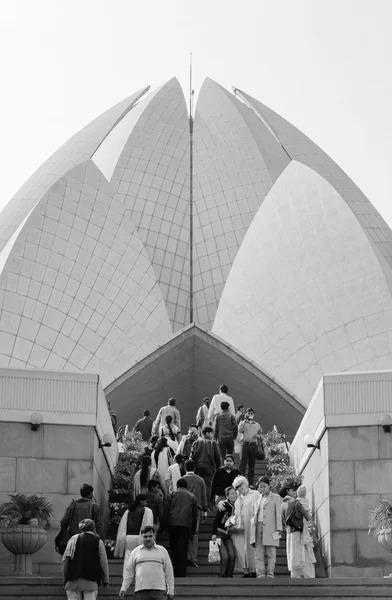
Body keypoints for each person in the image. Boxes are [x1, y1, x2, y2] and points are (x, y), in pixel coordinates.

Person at [119, 525, 174, 600]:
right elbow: (129, 573)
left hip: (159, 592)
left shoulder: (162, 551)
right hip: (140, 592)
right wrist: (124, 588)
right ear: (141, 537)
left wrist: (171, 590)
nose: (148, 539)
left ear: (154, 536)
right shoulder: (135, 552)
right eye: (145, 536)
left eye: (150, 536)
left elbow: (169, 572)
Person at [63, 518, 109, 600]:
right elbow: (103, 562)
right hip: (90, 582)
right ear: (93, 528)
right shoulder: (98, 541)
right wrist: (105, 580)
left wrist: (65, 578)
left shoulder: (73, 540)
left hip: (73, 582)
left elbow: (66, 560)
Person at [279, 485, 316, 578]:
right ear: (288, 491)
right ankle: (307, 574)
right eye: (292, 490)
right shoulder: (296, 502)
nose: (294, 493)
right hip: (299, 530)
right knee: (303, 552)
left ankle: (295, 575)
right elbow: (306, 515)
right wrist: (311, 525)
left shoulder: (282, 505)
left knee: (293, 554)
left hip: (289, 533)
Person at [250, 476, 282, 578]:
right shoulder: (257, 498)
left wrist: (279, 528)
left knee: (271, 552)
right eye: (260, 487)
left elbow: (278, 513)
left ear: (269, 486)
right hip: (258, 525)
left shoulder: (276, 497)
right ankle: (260, 573)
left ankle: (270, 573)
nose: (262, 488)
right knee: (258, 552)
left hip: (271, 527)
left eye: (264, 486)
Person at [114, 494, 154, 571]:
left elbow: (123, 525)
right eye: (145, 501)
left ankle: (127, 576)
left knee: (128, 558)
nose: (146, 503)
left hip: (128, 537)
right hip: (140, 537)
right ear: (141, 501)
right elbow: (148, 526)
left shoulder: (128, 511)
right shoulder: (146, 511)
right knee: (140, 558)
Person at [167, 479, 198, 577]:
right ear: (186, 486)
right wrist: (193, 530)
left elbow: (166, 510)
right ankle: (181, 572)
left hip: (173, 524)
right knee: (183, 549)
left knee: (174, 548)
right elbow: (195, 515)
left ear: (177, 485)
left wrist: (165, 526)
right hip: (186, 525)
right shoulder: (192, 496)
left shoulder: (171, 495)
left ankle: (174, 570)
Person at [231, 475, 259, 577]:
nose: (240, 490)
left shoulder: (255, 494)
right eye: (238, 488)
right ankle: (246, 571)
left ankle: (253, 570)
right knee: (241, 549)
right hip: (239, 526)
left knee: (251, 548)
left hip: (251, 524)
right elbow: (227, 498)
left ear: (247, 485)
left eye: (242, 487)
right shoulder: (237, 496)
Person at [183, 459, 208, 567]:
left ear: (185, 468)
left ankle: (186, 555)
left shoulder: (182, 479)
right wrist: (204, 510)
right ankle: (193, 557)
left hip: (184, 509)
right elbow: (203, 496)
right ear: (194, 468)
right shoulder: (200, 480)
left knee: (185, 533)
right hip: (196, 509)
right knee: (195, 533)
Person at [190, 426, 221, 506]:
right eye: (211, 433)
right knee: (207, 486)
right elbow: (218, 458)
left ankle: (197, 504)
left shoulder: (195, 443)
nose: (212, 435)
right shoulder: (213, 443)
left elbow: (191, 458)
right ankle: (206, 504)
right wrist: (218, 469)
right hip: (209, 468)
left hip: (197, 468)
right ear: (206, 433)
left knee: (198, 486)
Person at [212, 486, 237, 578]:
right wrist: (214, 533)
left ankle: (229, 575)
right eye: (232, 493)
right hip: (219, 533)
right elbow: (216, 520)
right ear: (227, 496)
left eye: (235, 493)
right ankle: (222, 575)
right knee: (225, 556)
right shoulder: (223, 505)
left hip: (229, 535)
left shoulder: (238, 505)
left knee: (232, 555)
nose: (234, 495)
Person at [238, 408, 263, 486]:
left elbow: (261, 435)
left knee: (252, 465)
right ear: (246, 414)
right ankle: (242, 482)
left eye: (252, 413)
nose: (250, 414)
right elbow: (239, 430)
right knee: (243, 464)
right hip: (245, 444)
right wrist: (245, 420)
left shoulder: (257, 424)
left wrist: (259, 436)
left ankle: (250, 483)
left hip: (253, 445)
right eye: (249, 413)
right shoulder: (243, 423)